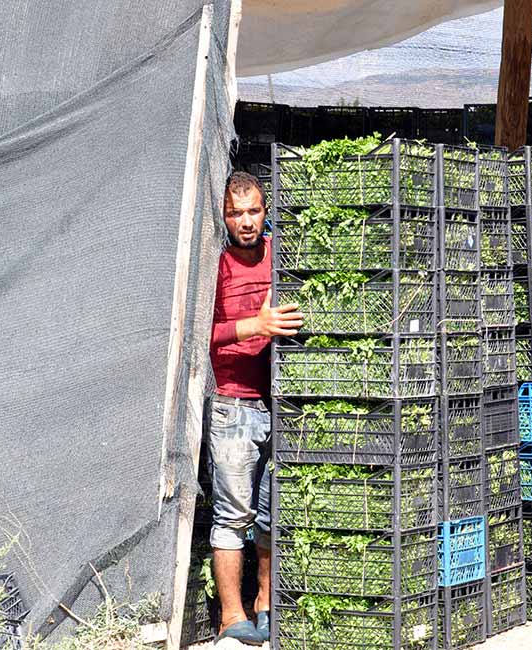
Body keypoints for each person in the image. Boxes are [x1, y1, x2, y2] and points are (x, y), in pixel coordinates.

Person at [208, 171, 303, 645]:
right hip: (233, 405)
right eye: (235, 212)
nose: (245, 222)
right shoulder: (215, 265)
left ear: (266, 212)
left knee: (271, 513)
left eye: (253, 211)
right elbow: (199, 335)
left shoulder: (279, 257)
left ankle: (266, 602)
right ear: (223, 217)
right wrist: (256, 324)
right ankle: (231, 614)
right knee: (233, 515)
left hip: (280, 402)